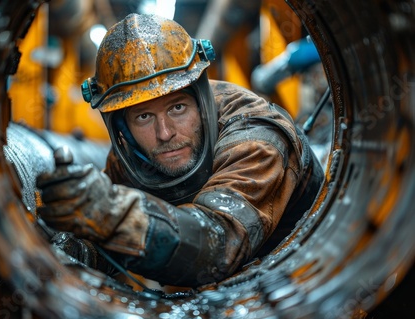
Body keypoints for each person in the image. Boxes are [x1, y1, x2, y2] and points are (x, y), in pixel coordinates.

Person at [35, 13, 324, 288]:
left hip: (304, 285)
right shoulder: (132, 155)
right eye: (143, 116)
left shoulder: (256, 137)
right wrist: (79, 248)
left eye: (177, 107)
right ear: (122, 127)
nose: (165, 133)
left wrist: (113, 215)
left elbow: (220, 245)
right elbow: (106, 237)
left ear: (200, 99)